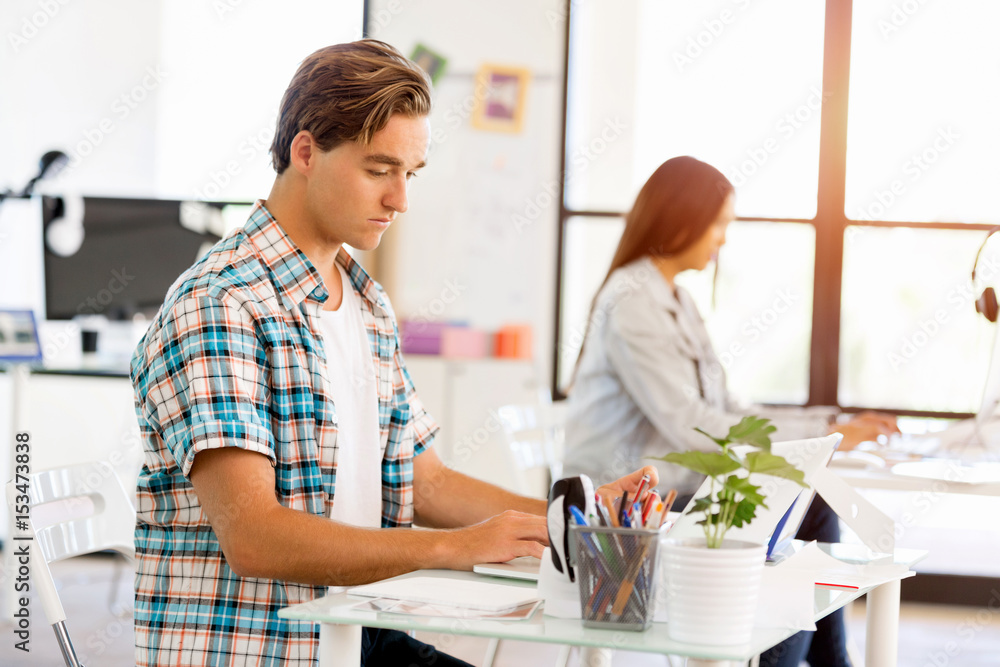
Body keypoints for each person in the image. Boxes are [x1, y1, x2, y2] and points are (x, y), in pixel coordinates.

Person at [130, 39, 655, 666]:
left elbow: (424, 480)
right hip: (266, 649)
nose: (400, 199)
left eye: (411, 174)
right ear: (305, 152)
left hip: (357, 632)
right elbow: (254, 537)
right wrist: (454, 548)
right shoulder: (220, 304)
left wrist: (578, 518)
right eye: (379, 170)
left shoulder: (366, 301)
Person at [562, 156, 898, 667]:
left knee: (807, 500)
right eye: (718, 223)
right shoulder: (632, 300)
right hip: (628, 506)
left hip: (677, 485)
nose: (722, 238)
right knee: (802, 504)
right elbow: (692, 425)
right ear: (682, 219)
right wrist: (816, 439)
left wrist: (826, 429)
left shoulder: (676, 298)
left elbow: (729, 409)